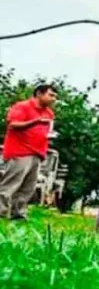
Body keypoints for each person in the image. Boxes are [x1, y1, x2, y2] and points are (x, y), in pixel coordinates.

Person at [0, 84, 57, 221]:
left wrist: (49, 136)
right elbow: (13, 124)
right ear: (39, 94)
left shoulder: (49, 113)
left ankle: (18, 215)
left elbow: (46, 130)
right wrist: (35, 122)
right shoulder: (23, 106)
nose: (53, 99)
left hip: (38, 153)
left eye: (55, 97)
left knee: (28, 188)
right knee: (11, 184)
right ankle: (1, 212)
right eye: (50, 95)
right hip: (20, 151)